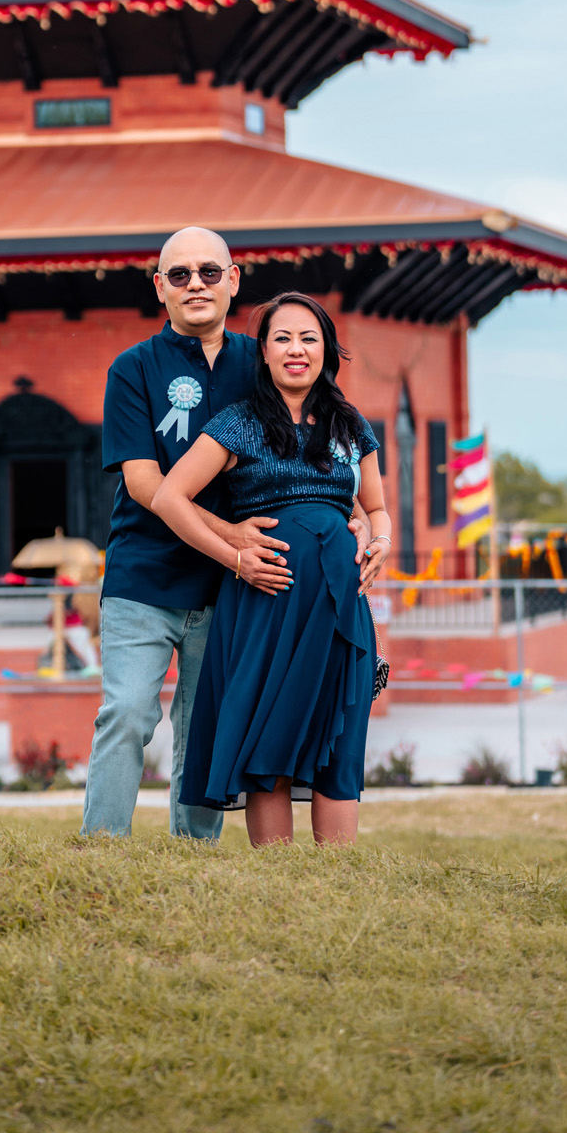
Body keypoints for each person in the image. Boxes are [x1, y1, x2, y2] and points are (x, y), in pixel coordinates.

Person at [82, 232, 371, 839]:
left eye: (209, 272)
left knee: (203, 722)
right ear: (159, 287)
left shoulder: (261, 356)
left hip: (234, 591)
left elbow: (329, 447)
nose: (196, 285)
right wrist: (234, 538)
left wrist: (362, 517)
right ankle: (102, 849)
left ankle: (195, 855)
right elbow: (145, 484)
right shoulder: (133, 369)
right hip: (148, 575)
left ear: (234, 281)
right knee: (129, 711)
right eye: (180, 274)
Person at [152, 292, 391, 848]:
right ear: (263, 352)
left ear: (326, 349)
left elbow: (375, 506)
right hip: (268, 605)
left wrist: (378, 539)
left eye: (309, 338)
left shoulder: (351, 425)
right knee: (272, 741)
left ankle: (338, 881)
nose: (296, 349)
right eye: (282, 338)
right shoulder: (238, 423)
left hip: (340, 608)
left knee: (338, 736)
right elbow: (170, 498)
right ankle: (277, 885)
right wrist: (235, 556)